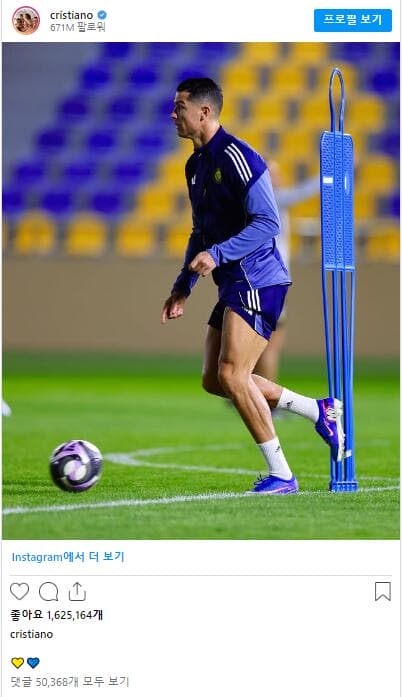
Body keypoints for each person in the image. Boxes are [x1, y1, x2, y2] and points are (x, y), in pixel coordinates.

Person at [161, 77, 343, 495]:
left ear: (204, 112)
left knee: (232, 373)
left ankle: (283, 475)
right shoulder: (194, 166)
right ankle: (318, 411)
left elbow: (269, 222)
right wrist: (183, 285)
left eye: (180, 107)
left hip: (259, 278)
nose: (173, 114)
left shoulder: (238, 156)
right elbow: (199, 231)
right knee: (215, 379)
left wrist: (218, 254)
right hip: (233, 282)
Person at [254, 161, 320, 384]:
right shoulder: (271, 199)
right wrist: (330, 174)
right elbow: (302, 193)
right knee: (271, 344)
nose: (280, 178)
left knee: (260, 342)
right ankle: (264, 395)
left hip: (264, 279)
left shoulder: (256, 201)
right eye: (274, 174)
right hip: (272, 282)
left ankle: (245, 389)